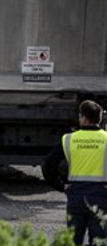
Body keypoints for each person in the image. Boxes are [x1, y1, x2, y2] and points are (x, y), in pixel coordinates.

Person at [44, 101, 107, 246]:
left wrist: (60, 186)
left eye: (80, 116)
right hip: (101, 195)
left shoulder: (69, 139)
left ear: (85, 118)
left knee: (73, 240)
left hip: (75, 195)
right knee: (99, 241)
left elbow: (48, 164)